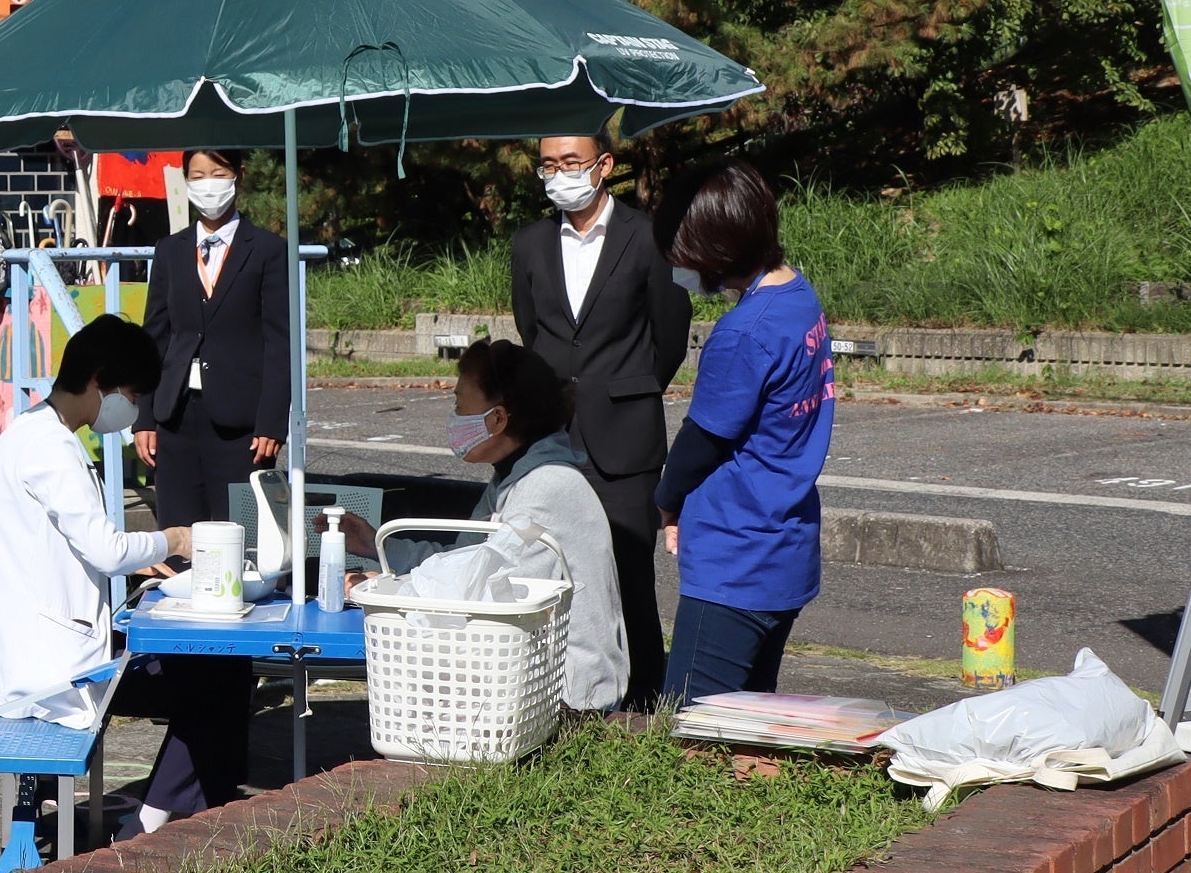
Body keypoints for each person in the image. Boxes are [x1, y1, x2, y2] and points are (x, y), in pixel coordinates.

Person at [0, 317, 190, 830]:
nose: (130, 410)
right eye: (130, 394)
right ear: (99, 380)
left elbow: (64, 540)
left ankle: (147, 811)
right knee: (208, 684)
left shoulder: (30, 431)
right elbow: (105, 549)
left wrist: (142, 559)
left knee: (194, 678)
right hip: (46, 673)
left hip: (26, 647)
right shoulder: (53, 448)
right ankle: (153, 820)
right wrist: (175, 539)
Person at [508, 130, 690, 710]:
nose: (559, 173)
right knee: (549, 570)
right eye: (547, 164)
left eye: (572, 162)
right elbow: (532, 331)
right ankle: (557, 700)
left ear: (604, 165)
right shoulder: (530, 244)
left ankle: (642, 703)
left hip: (626, 435)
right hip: (553, 436)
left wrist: (628, 392)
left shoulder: (647, 238)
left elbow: (670, 337)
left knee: (630, 575)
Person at [349, 341, 626, 711]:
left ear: (497, 419)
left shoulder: (546, 488)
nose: (454, 416)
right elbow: (467, 560)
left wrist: (387, 589)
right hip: (533, 680)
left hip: (570, 698)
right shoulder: (512, 478)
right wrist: (375, 547)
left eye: (460, 405)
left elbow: (480, 592)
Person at [654, 161, 834, 698]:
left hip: (736, 558)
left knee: (693, 730)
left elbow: (702, 440)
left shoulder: (742, 334)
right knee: (750, 729)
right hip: (785, 546)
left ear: (712, 251)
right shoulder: (799, 297)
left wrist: (666, 499)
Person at [130, 148, 291, 529]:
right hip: (176, 414)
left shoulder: (268, 250)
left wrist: (271, 421)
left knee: (242, 533)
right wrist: (145, 417)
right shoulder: (170, 250)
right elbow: (155, 336)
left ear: (239, 175)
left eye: (217, 174)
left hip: (242, 422)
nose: (208, 185)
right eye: (197, 176)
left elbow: (279, 342)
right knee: (180, 532)